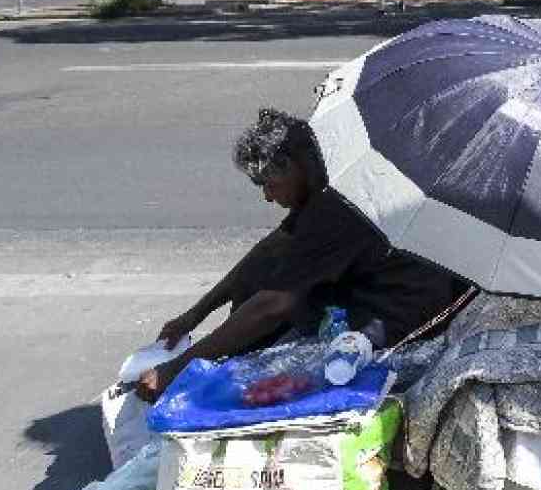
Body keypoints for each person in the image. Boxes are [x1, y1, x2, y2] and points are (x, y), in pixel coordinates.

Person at [134, 109, 469, 402]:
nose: (268, 197)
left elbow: (273, 305)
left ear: (292, 165)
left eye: (268, 184)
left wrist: (176, 370)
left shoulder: (335, 208)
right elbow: (272, 247)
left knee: (247, 379)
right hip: (392, 291)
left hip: (396, 323)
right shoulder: (333, 173)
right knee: (260, 279)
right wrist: (194, 315)